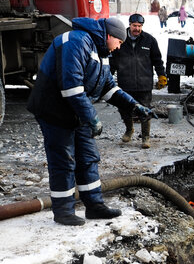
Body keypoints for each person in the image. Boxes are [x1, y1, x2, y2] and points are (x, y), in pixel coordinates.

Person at [26, 17, 154, 226]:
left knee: (88, 157)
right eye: (119, 42)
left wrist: (134, 106)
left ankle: (94, 206)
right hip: (54, 108)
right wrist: (92, 118)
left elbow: (108, 88)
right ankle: (63, 211)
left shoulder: (101, 52)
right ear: (110, 36)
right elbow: (71, 86)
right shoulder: (76, 41)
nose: (119, 47)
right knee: (64, 160)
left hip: (76, 109)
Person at [109, 13, 167, 149]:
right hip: (125, 83)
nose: (137, 29)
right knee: (124, 110)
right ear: (129, 25)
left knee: (145, 111)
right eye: (134, 26)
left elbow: (157, 60)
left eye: (139, 26)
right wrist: (108, 76)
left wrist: (162, 75)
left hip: (144, 83)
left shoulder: (149, 40)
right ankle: (129, 130)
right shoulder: (121, 39)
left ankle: (145, 137)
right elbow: (113, 61)